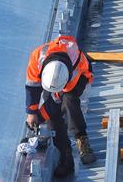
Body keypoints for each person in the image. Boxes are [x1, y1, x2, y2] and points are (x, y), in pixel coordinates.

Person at [25, 34, 95, 173]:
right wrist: (31, 113)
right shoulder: (36, 58)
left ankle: (82, 140)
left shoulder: (72, 71)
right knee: (52, 115)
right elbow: (32, 87)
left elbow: (55, 102)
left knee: (69, 101)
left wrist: (40, 116)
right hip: (59, 77)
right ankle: (65, 155)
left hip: (80, 77)